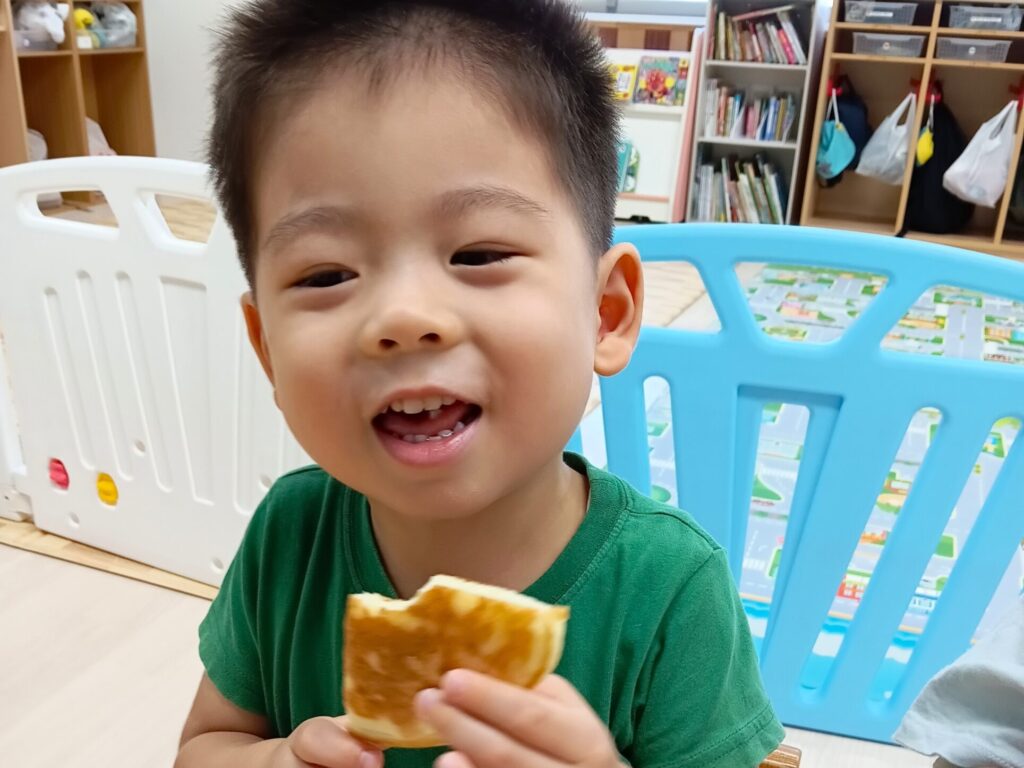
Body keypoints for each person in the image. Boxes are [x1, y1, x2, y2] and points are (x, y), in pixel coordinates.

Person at [175, 1, 784, 766]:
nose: (402, 317)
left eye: (479, 254)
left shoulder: (671, 591)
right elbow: (207, 743)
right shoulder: (289, 537)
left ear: (605, 312)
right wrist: (273, 760)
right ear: (266, 350)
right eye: (327, 273)